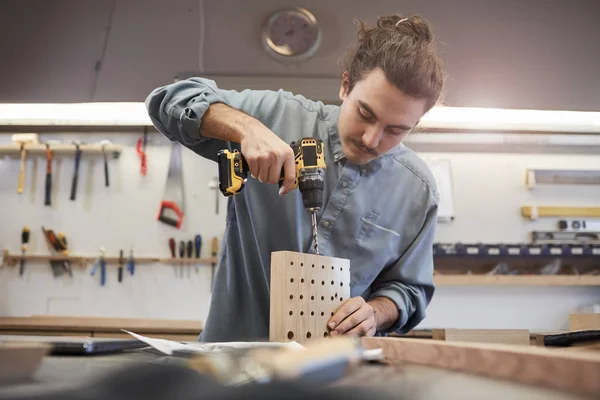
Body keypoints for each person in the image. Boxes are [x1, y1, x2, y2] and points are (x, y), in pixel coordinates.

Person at [145, 14, 446, 342]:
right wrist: (246, 128)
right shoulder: (278, 115)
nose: (372, 139)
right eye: (365, 114)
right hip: (233, 366)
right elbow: (167, 101)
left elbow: (409, 290)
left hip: (338, 376)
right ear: (345, 85)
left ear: (415, 125)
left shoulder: (417, 190)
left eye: (396, 130)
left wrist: (375, 313)